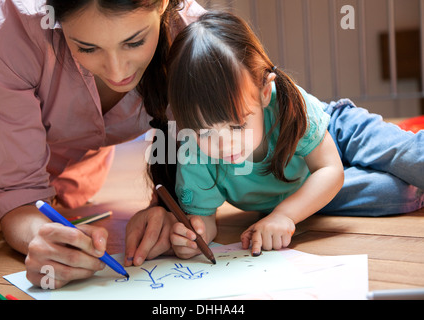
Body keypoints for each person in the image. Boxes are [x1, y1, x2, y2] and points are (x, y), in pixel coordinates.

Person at [0, 0, 204, 288]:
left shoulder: (194, 36)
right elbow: (21, 193)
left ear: (163, 4)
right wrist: (43, 239)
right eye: (87, 48)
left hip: (75, 169)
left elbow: (215, 163)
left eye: (134, 42)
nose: (118, 72)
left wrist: (177, 213)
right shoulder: (11, 31)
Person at [164, 12, 424, 260]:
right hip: (305, 187)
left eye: (237, 126)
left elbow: (329, 167)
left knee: (410, 157)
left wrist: (284, 216)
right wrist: (194, 236)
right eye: (205, 132)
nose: (224, 144)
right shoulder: (194, 151)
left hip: (336, 132)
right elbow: (205, 219)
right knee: (402, 193)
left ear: (265, 92)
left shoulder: (286, 104)